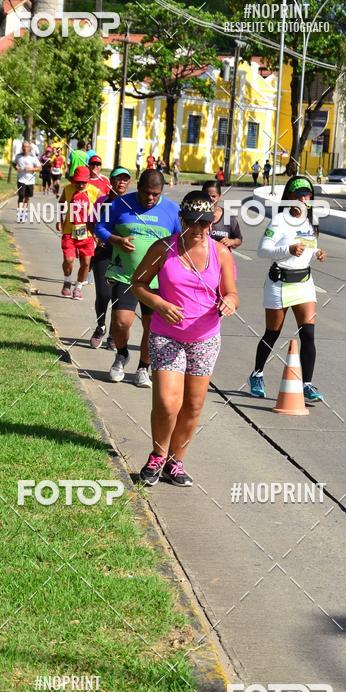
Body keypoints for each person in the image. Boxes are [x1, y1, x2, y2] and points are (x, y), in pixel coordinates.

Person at [132, 192, 239, 487]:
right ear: (181, 220)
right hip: (167, 336)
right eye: (191, 222)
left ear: (211, 221)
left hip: (205, 339)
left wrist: (229, 301)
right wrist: (159, 304)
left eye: (203, 224)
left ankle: (175, 463)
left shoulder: (222, 253)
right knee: (168, 402)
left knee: (193, 405)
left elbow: (232, 292)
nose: (197, 230)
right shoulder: (163, 247)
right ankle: (157, 455)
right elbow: (137, 283)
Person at [94, 169, 181, 388]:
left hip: (158, 280)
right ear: (138, 187)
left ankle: (144, 367)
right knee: (121, 322)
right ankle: (122, 355)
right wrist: (116, 240)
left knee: (151, 328)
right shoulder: (120, 204)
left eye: (156, 194)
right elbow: (100, 227)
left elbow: (182, 241)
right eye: (146, 193)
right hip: (126, 275)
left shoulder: (172, 209)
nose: (150, 198)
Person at [248, 175, 327, 403]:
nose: (303, 199)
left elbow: (309, 248)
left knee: (308, 334)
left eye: (307, 194)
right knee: (272, 333)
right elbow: (263, 250)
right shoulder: (279, 220)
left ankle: (307, 384)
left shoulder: (311, 221)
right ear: (289, 198)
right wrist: (287, 250)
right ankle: (257, 374)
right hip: (279, 283)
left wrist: (317, 253)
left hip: (304, 283)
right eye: (298, 194)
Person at [89, 166, 131, 350]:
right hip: (104, 252)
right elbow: (91, 222)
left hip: (123, 255)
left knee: (118, 297)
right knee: (103, 294)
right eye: (118, 179)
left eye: (125, 179)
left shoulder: (132, 205)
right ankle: (100, 326)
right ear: (111, 182)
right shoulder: (101, 202)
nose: (121, 182)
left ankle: (114, 334)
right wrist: (97, 237)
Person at [57, 166, 100, 299]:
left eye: (83, 182)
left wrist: (98, 230)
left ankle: (79, 287)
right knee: (69, 259)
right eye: (78, 182)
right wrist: (60, 219)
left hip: (87, 233)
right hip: (69, 230)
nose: (80, 185)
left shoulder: (95, 192)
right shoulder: (68, 189)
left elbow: (102, 210)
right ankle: (67, 281)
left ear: (88, 180)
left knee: (86, 263)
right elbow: (61, 203)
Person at [202, 180, 243, 250]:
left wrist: (231, 241)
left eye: (213, 196)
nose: (210, 199)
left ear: (219, 196)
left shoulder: (228, 217)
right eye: (207, 196)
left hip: (222, 259)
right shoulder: (196, 215)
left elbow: (239, 239)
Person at [13, 141, 41, 222]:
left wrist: (31, 169)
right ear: (22, 148)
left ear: (30, 148)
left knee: (27, 197)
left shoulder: (33, 157)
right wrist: (16, 167)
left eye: (27, 147)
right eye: (24, 147)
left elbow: (40, 168)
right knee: (21, 196)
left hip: (30, 181)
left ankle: (24, 212)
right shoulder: (18, 156)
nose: (25, 148)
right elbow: (14, 163)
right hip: (21, 179)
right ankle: (19, 215)